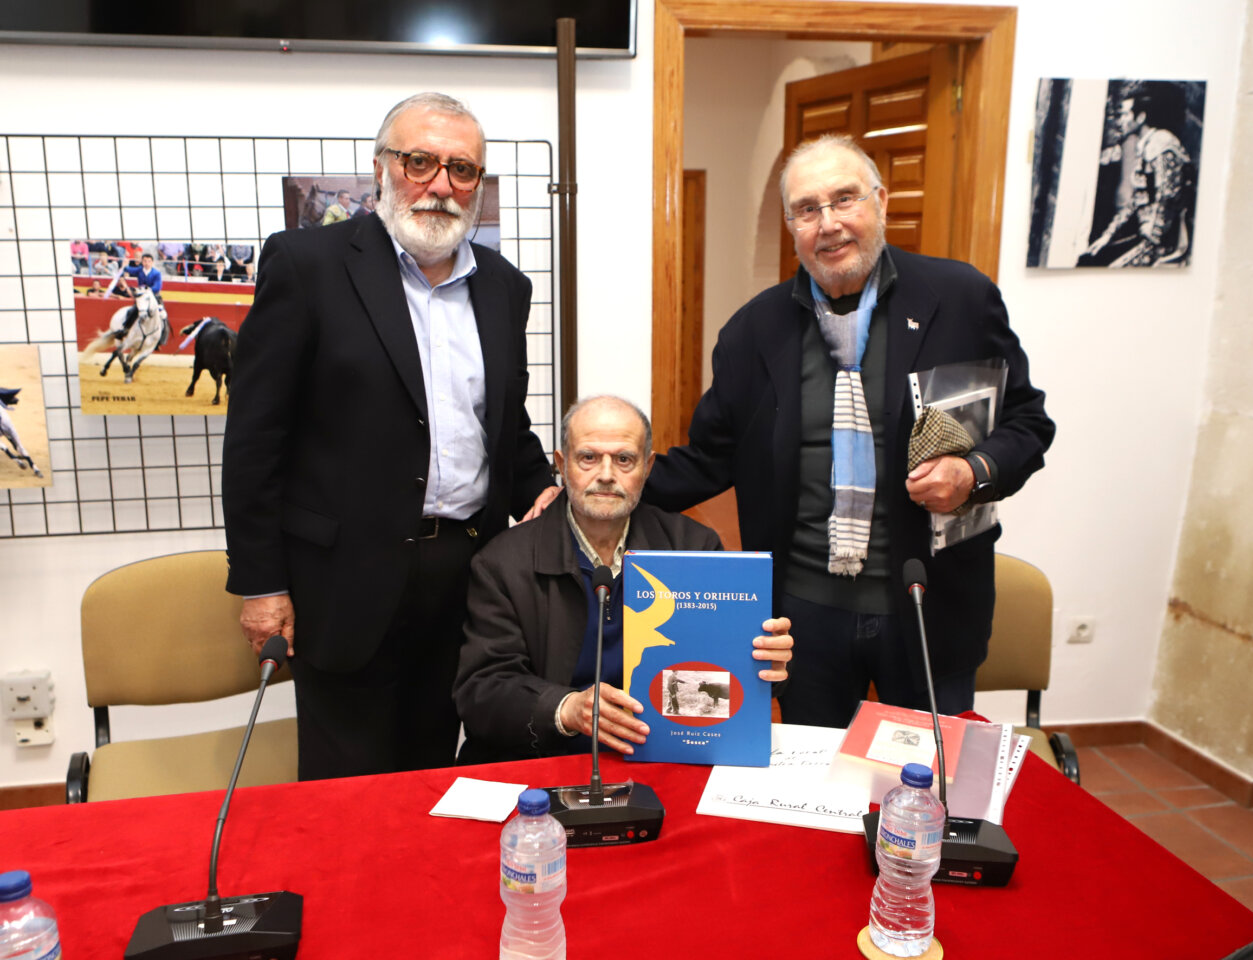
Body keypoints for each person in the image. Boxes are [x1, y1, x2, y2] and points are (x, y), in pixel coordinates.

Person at [644, 134, 1054, 728]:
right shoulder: (754, 332)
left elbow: (1027, 421)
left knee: (928, 773)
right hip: (804, 616)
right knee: (817, 773)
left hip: (929, 603)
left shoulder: (960, 299)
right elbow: (708, 459)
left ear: (880, 202)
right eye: (807, 209)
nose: (829, 223)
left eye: (844, 199)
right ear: (791, 226)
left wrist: (973, 472)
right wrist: (601, 487)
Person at [222, 91, 560, 780]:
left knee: (438, 772)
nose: (441, 185)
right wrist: (260, 583)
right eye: (420, 162)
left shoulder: (504, 287)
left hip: (469, 572)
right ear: (381, 167)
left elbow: (503, 423)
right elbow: (255, 438)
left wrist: (546, 492)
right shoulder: (307, 266)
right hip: (344, 578)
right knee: (347, 786)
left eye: (462, 169)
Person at [453, 395, 793, 763]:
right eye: (588, 457)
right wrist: (566, 708)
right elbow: (482, 691)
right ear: (562, 465)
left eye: (624, 459)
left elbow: (720, 679)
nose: (605, 474)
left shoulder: (695, 548)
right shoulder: (503, 562)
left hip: (663, 755)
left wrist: (762, 665)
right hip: (547, 761)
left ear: (647, 467)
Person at [1081, 82, 1194, 267]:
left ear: (1141, 117)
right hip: (1148, 237)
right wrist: (1107, 237)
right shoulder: (1145, 145)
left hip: (1167, 245)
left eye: (1126, 114)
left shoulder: (1162, 144)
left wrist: (1148, 247)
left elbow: (1167, 198)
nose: (1121, 121)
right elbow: (1136, 201)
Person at [114, 252, 164, 339]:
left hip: (154, 297)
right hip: (142, 298)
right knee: (132, 311)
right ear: (142, 262)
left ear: (152, 262)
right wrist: (124, 264)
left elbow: (157, 287)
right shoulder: (140, 270)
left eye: (149, 261)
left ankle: (162, 335)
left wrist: (146, 290)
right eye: (145, 261)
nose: (147, 263)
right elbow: (128, 269)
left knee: (163, 315)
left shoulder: (157, 273)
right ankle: (125, 329)